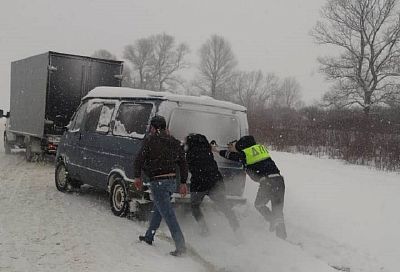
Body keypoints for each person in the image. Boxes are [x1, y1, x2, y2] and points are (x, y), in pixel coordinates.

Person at [134, 115, 188, 256]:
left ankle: (181, 246)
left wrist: (137, 177)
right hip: (171, 181)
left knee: (169, 215)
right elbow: (183, 162)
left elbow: (139, 159)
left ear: (154, 127)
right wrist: (183, 182)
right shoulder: (174, 142)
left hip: (158, 182)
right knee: (159, 210)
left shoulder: (150, 140)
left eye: (151, 127)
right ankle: (149, 236)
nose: (150, 129)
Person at [215, 136, 287, 239]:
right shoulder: (260, 148)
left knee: (259, 204)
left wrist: (217, 150)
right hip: (279, 181)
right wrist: (236, 148)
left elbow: (231, 156)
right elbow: (244, 154)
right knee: (278, 209)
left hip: (268, 182)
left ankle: (272, 220)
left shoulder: (245, 154)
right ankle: (282, 236)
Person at [185, 134, 240, 235]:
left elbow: (188, 168)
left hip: (199, 185)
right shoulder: (207, 151)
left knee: (195, 206)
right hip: (214, 182)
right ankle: (236, 228)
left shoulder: (190, 154)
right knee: (225, 207)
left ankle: (204, 229)